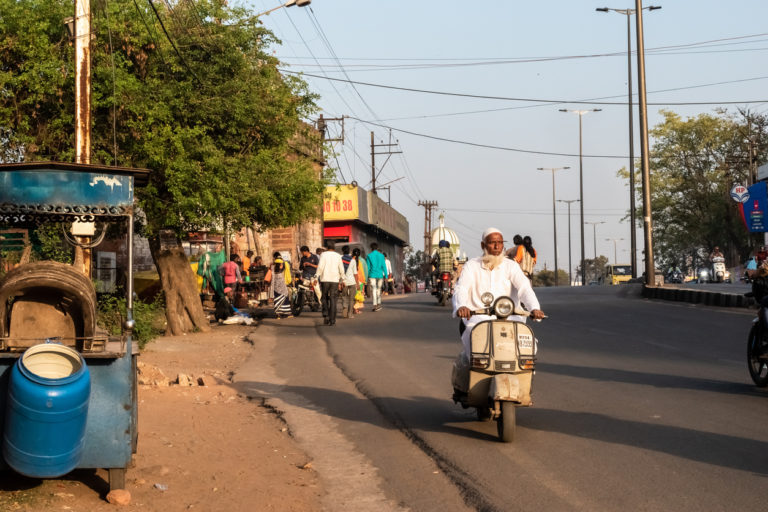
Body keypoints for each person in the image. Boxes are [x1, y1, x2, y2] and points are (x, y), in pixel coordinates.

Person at [451, 228, 545, 396]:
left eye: (500, 242)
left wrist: (534, 308)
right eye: (492, 242)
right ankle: (471, 387)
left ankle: (525, 384)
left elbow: (525, 288)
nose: (496, 246)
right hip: (478, 319)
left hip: (510, 319)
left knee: (529, 347)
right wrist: (462, 307)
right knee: (476, 352)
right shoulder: (472, 266)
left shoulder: (511, 266)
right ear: (483, 245)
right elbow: (461, 288)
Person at [316, 241, 345, 325]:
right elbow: (341, 268)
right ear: (334, 247)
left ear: (327, 247)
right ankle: (332, 320)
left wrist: (316, 276)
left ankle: (326, 314)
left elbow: (320, 267)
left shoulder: (323, 255)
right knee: (333, 299)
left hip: (325, 279)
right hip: (335, 280)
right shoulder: (338, 256)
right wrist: (343, 279)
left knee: (324, 297)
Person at [366, 243, 388, 311]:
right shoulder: (381, 256)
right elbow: (384, 266)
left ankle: (375, 305)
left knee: (374, 290)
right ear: (377, 247)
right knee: (379, 289)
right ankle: (379, 304)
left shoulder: (369, 256)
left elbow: (368, 267)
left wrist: (367, 276)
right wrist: (386, 276)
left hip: (372, 275)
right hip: (380, 275)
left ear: (371, 248)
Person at [271, 252, 293, 319]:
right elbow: (287, 272)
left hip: (275, 285)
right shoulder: (283, 265)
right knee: (285, 298)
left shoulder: (272, 266)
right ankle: (286, 314)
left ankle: (278, 315)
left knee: (277, 299)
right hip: (282, 284)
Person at [340, 245, 358, 319]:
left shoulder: (340, 259)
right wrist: (357, 283)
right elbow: (355, 273)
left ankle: (344, 312)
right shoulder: (353, 260)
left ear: (343, 251)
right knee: (351, 299)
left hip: (344, 282)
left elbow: (339, 272)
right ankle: (350, 314)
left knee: (344, 297)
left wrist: (339, 282)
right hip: (352, 281)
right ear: (349, 251)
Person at [352, 248, 366, 314]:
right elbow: (362, 272)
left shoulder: (351, 260)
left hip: (352, 279)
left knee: (353, 295)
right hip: (359, 280)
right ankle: (356, 309)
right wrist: (364, 281)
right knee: (358, 295)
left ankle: (353, 309)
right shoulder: (360, 261)